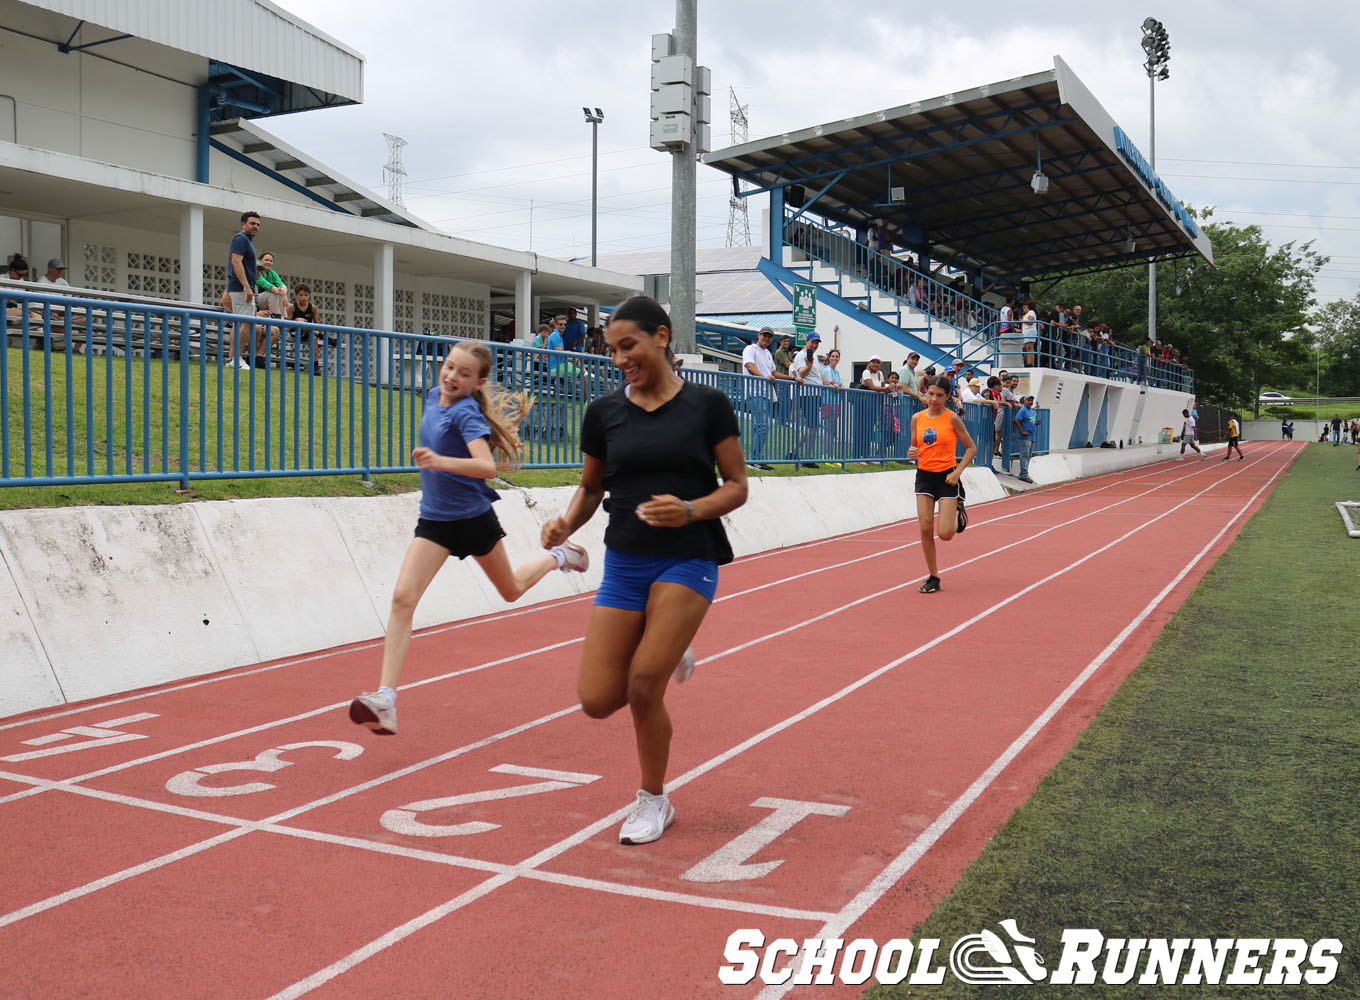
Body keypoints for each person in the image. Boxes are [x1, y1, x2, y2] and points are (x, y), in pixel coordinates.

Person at [540, 295, 748, 845]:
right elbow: (591, 487)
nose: (618, 358)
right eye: (611, 350)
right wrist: (566, 524)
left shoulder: (708, 404)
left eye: (627, 345)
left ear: (661, 336)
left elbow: (736, 487)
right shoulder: (603, 412)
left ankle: (654, 800)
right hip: (626, 561)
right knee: (595, 700)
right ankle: (668, 640)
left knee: (641, 687)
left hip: (690, 557)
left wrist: (689, 509)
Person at [350, 341, 590, 736]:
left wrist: (441, 462)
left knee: (511, 590)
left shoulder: (465, 415)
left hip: (473, 519)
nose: (451, 377)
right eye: (449, 367)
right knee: (401, 599)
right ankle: (386, 700)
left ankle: (560, 557)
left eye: (463, 374)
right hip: (435, 522)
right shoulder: (433, 397)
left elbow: (487, 467)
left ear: (478, 381)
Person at [907, 375, 977, 594]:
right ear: (925, 394)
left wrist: (957, 472)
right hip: (924, 476)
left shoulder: (952, 418)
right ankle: (934, 575)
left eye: (939, 395)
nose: (934, 399)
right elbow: (914, 448)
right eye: (930, 394)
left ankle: (958, 507)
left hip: (947, 477)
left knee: (945, 534)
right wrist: (911, 453)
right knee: (925, 527)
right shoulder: (917, 418)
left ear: (947, 397)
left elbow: (971, 448)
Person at [226, 211, 261, 369]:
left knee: (238, 324)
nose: (256, 227)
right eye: (252, 223)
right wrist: (247, 287)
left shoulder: (246, 241)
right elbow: (236, 262)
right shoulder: (241, 239)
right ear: (243, 224)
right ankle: (237, 359)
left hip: (241, 288)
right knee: (246, 324)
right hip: (242, 289)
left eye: (258, 224)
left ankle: (232, 359)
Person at [740, 327, 777, 471]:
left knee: (761, 426)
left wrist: (793, 378)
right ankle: (754, 460)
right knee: (763, 425)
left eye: (769, 337)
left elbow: (773, 372)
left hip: (767, 393)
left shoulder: (768, 353)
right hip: (754, 392)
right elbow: (750, 366)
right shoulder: (750, 349)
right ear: (759, 335)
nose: (767, 339)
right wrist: (764, 377)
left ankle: (757, 459)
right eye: (764, 336)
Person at [1013, 394, 1040, 482]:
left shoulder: (1031, 410)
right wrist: (1022, 431)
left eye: (1031, 400)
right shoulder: (1023, 410)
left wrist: (1036, 423)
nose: (1030, 402)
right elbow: (1016, 420)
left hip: (1032, 436)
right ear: (1024, 401)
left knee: (1028, 455)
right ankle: (1024, 474)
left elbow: (1030, 421)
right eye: (1028, 400)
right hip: (1025, 437)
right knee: (1024, 455)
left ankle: (1024, 473)